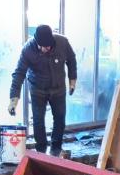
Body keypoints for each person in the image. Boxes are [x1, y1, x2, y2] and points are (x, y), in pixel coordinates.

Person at [8, 24, 77, 157]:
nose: (47, 48)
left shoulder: (62, 42)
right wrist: (13, 99)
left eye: (49, 46)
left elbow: (71, 60)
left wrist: (72, 80)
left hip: (58, 89)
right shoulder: (28, 50)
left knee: (60, 118)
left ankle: (56, 149)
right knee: (38, 121)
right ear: (37, 43)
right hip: (38, 89)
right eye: (44, 47)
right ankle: (41, 150)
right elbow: (19, 74)